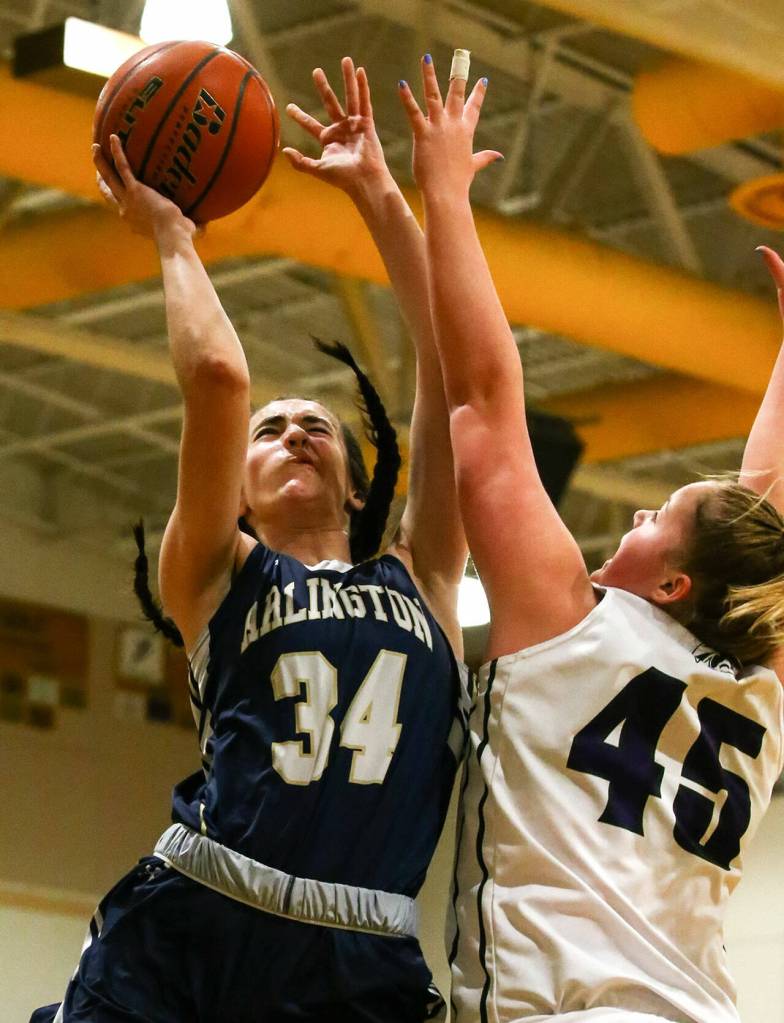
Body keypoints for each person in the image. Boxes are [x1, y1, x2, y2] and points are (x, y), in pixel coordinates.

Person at [31, 59, 469, 1023]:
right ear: (233, 492)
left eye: (316, 423)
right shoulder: (217, 572)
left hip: (360, 957)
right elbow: (221, 379)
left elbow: (454, 361)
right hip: (198, 916)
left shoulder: (425, 572)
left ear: (357, 483)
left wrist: (381, 194)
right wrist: (173, 235)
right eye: (270, 432)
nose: (294, 433)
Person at [399, 53, 784, 1023]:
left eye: (661, 517)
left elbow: (484, 403)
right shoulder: (763, 688)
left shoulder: (563, 619)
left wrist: (444, 192)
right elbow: (765, 508)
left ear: (672, 586)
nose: (639, 513)